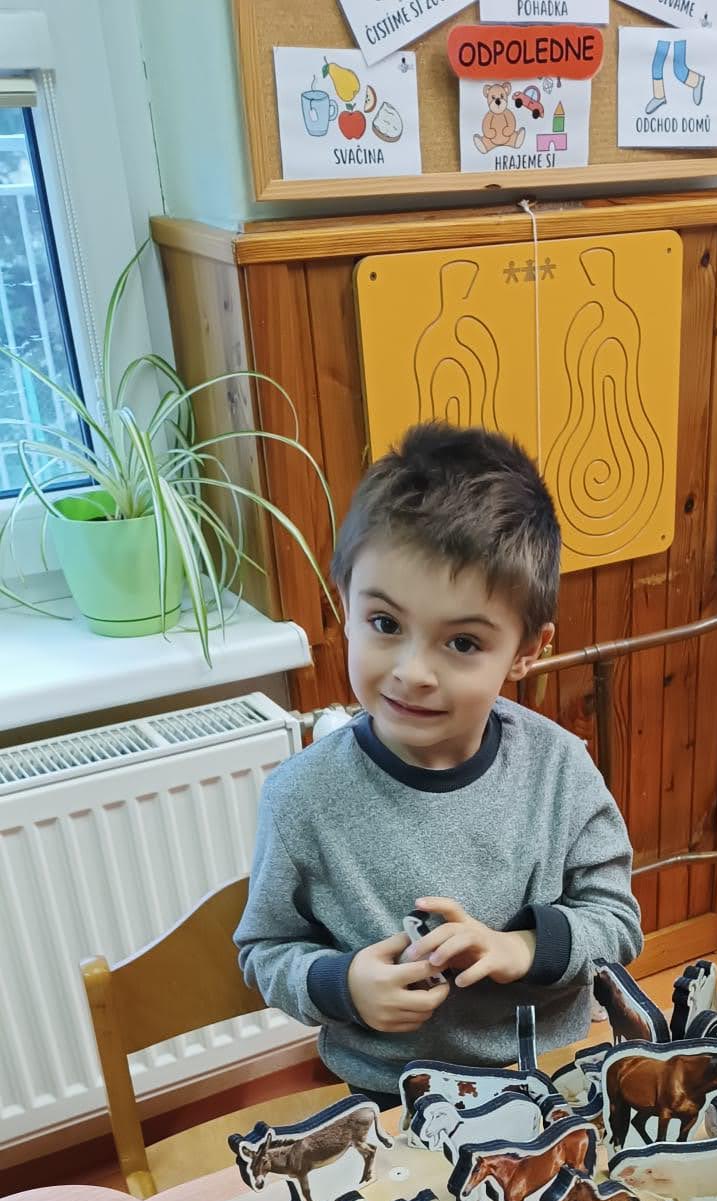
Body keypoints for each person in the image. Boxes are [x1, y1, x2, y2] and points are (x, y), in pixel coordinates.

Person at [234, 422, 643, 1106]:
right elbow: (264, 950)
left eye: (462, 642)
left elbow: (617, 923)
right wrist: (344, 986)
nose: (413, 672)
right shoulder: (301, 797)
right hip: (389, 1097)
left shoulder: (560, 771)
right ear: (345, 605)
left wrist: (522, 949)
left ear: (527, 651)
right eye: (386, 624)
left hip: (548, 1078)